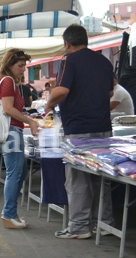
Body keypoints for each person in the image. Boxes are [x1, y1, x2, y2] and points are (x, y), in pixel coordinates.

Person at [45, 24, 115, 239]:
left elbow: (62, 90)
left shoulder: (69, 60)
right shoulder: (103, 61)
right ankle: (105, 223)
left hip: (78, 129)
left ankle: (79, 227)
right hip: (103, 127)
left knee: (77, 180)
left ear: (67, 43)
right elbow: (112, 89)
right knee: (100, 177)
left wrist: (48, 104)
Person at [0, 49, 39, 229]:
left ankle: (10, 213)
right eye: (20, 66)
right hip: (11, 132)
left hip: (12, 131)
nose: (23, 69)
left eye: (24, 66)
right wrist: (30, 120)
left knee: (20, 172)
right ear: (9, 65)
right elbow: (8, 109)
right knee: (15, 173)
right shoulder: (8, 81)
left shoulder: (7, 81)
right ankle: (9, 214)